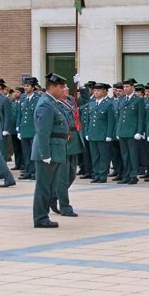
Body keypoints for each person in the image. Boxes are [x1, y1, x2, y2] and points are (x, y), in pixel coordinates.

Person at [31, 73, 70, 229]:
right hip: (48, 151)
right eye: (62, 87)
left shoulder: (53, 102)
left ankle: (43, 215)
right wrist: (45, 154)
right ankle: (40, 217)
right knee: (44, 185)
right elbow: (43, 132)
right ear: (53, 87)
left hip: (56, 149)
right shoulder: (46, 104)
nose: (65, 89)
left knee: (49, 184)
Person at [50, 84, 82, 217]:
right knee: (62, 178)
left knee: (72, 175)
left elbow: (83, 103)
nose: (67, 90)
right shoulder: (55, 104)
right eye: (64, 88)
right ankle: (65, 206)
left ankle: (53, 196)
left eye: (68, 88)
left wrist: (81, 86)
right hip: (63, 142)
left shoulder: (69, 102)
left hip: (73, 142)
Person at [116, 78, 145, 185]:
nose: (125, 88)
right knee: (125, 155)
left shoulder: (138, 100)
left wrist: (139, 131)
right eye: (124, 87)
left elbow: (141, 117)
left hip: (132, 131)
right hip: (122, 131)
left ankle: (133, 175)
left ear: (132, 87)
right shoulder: (122, 99)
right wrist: (118, 131)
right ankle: (126, 174)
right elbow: (119, 117)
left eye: (127, 86)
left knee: (133, 155)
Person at [85, 83, 115, 183]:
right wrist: (87, 132)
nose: (96, 92)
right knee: (95, 156)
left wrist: (109, 135)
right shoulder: (92, 103)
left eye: (98, 90)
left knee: (104, 156)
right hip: (93, 133)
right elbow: (88, 120)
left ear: (104, 92)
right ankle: (96, 174)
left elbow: (111, 121)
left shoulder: (108, 104)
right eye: (95, 90)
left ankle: (102, 175)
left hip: (103, 134)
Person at [17, 77, 41, 180]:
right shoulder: (22, 98)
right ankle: (27, 171)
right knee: (26, 152)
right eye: (24, 86)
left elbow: (38, 115)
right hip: (24, 128)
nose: (25, 88)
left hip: (33, 129)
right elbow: (20, 113)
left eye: (28, 86)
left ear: (33, 87)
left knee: (34, 152)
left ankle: (35, 172)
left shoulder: (37, 98)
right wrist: (18, 127)